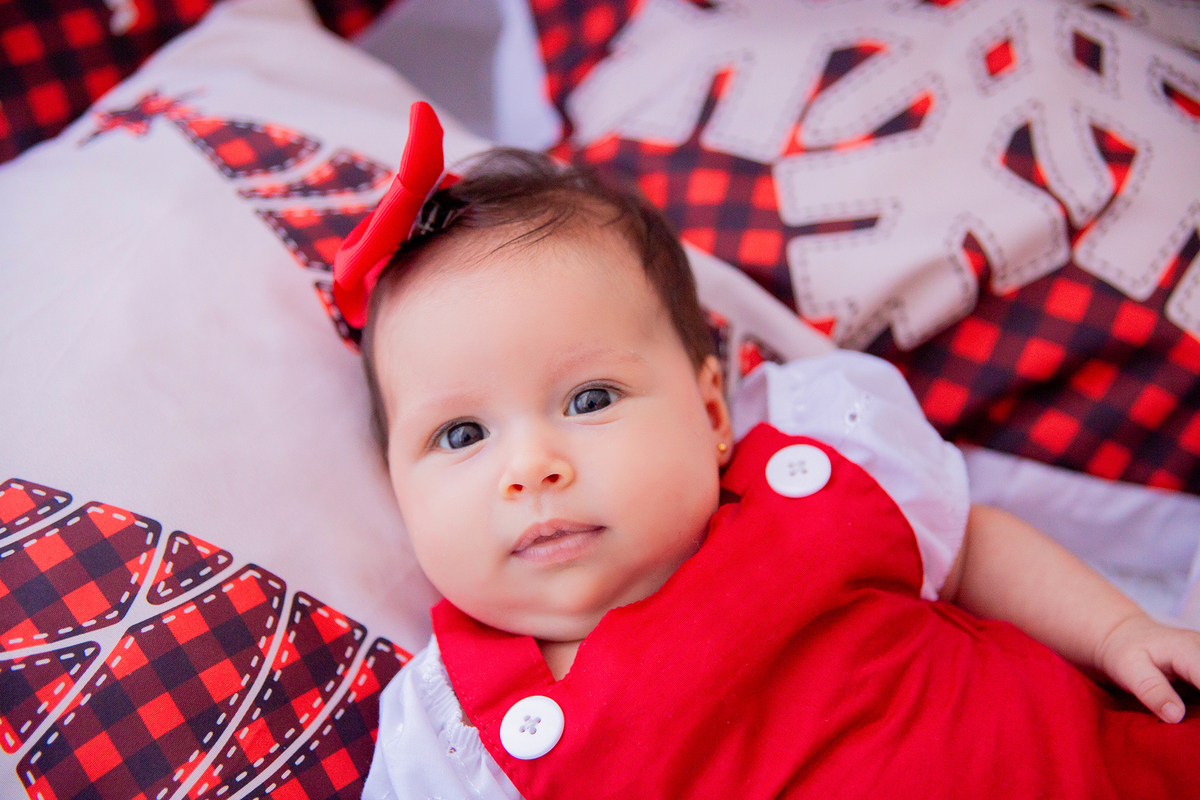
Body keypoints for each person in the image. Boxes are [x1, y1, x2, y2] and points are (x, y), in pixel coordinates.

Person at [346, 104, 1200, 800]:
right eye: (461, 435)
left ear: (712, 410)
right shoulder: (453, 742)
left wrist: (1118, 628)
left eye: (591, 399)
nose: (531, 467)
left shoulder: (818, 474)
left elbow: (971, 542)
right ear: (395, 488)